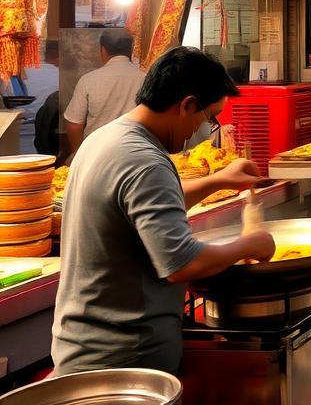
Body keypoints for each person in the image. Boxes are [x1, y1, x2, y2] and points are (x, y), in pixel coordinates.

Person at [52, 47, 275, 374]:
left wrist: (219, 181)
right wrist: (250, 244)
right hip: (125, 357)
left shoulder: (106, 139)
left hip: (86, 346)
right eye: (209, 117)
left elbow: (141, 206)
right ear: (186, 105)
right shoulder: (144, 160)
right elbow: (181, 262)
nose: (206, 128)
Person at [63, 30, 145, 160]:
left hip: (96, 155)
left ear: (103, 50)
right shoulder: (145, 79)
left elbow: (74, 124)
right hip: (135, 154)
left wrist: (79, 155)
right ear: (131, 50)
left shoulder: (88, 80)